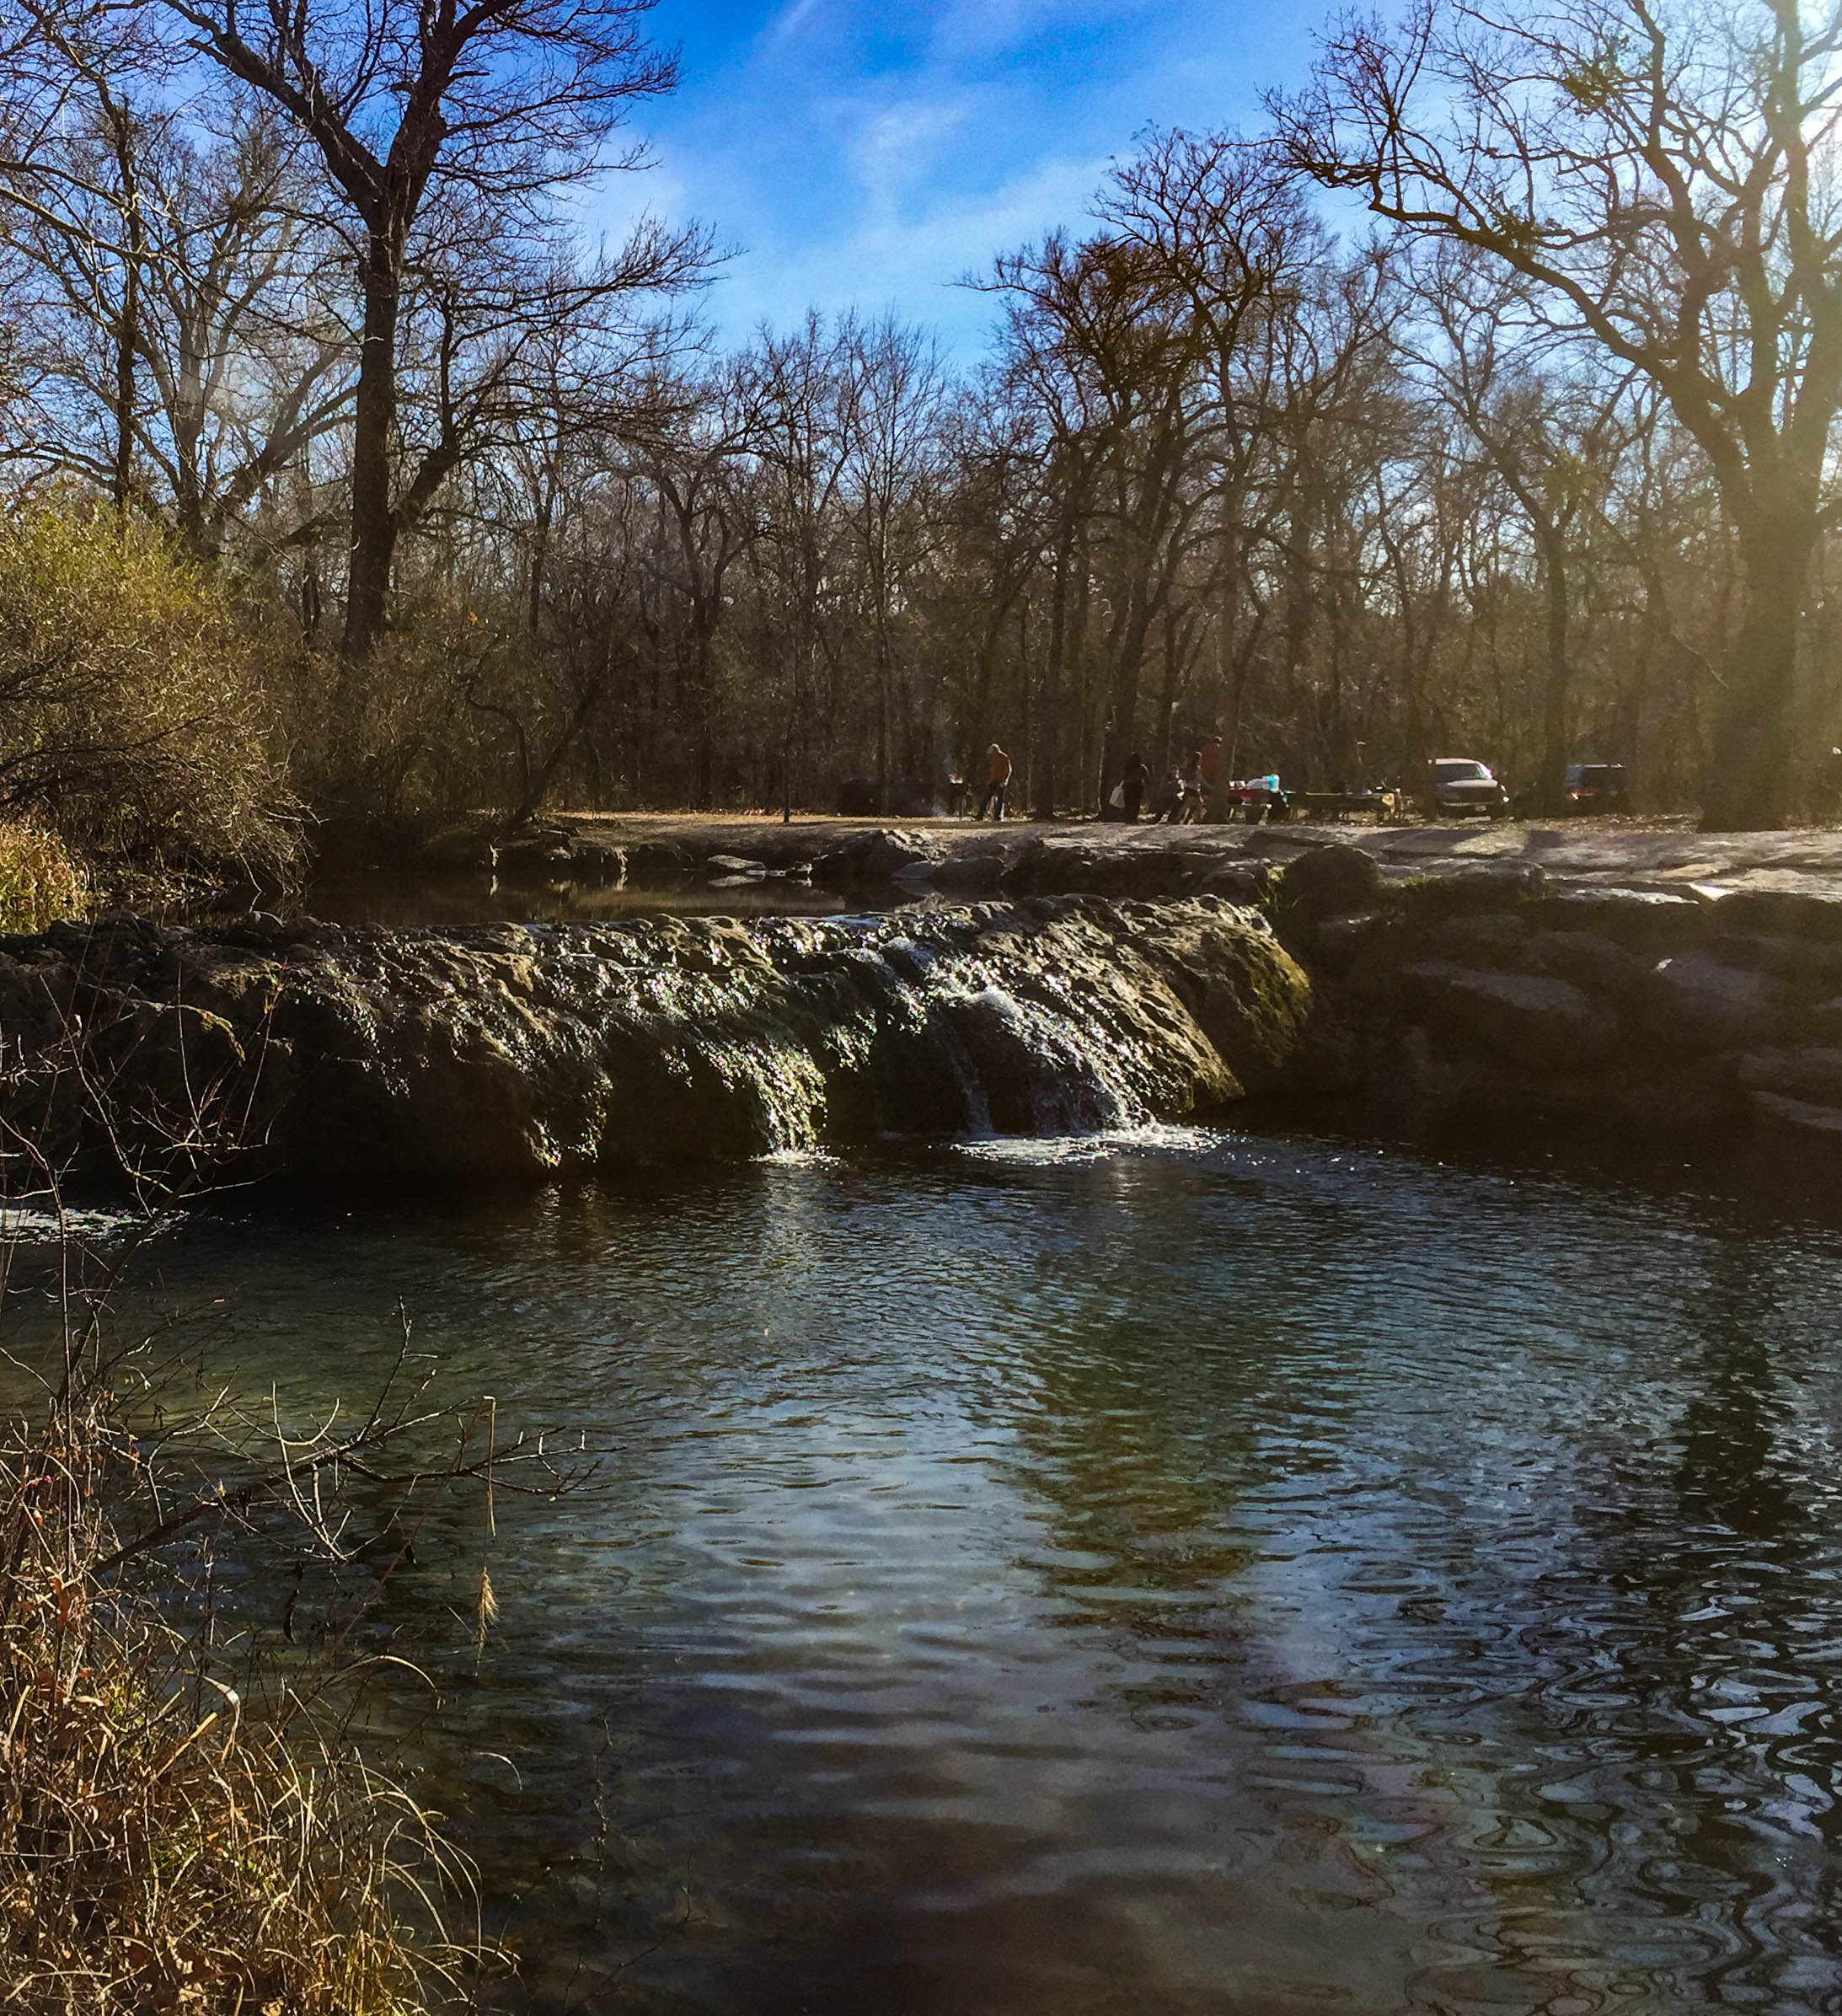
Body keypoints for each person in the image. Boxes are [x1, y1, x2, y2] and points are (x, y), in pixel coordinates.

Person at [977, 743, 1013, 821]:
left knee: (1000, 799)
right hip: (994, 780)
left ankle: (998, 816)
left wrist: (1005, 780)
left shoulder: (1004, 757)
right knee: (986, 797)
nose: (991, 755)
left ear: (996, 751)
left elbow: (1009, 770)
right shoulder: (994, 758)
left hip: (1001, 780)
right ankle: (980, 815)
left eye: (992, 753)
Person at [1122, 752, 1150, 823]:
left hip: (1128, 787)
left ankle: (1127, 818)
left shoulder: (1128, 767)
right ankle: (1134, 818)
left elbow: (1124, 776)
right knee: (1136, 803)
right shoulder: (1142, 767)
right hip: (1138, 787)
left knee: (1128, 803)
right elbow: (1147, 777)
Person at [1180, 751, 1206, 823]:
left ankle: (1178, 818)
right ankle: (1199, 820)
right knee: (1200, 804)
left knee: (1188, 805)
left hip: (1188, 787)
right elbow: (1200, 779)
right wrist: (1208, 785)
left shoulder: (1189, 767)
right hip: (1194, 789)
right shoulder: (1197, 768)